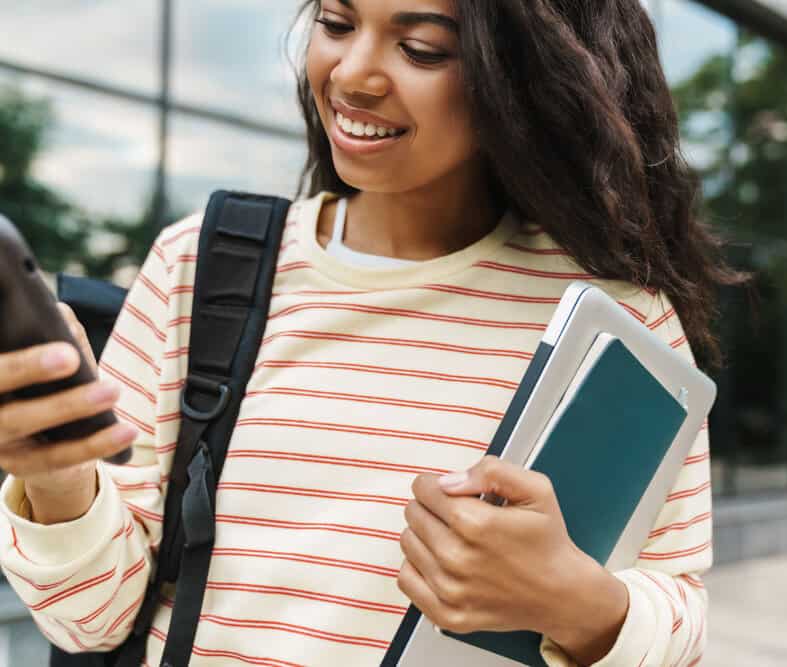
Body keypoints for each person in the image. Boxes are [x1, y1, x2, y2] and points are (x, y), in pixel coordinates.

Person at [0, 1, 744, 664]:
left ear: (517, 75)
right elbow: (88, 621)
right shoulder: (196, 266)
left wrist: (576, 604)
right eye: (335, 22)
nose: (353, 74)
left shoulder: (614, 319)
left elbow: (678, 625)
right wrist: (55, 474)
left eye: (420, 48)